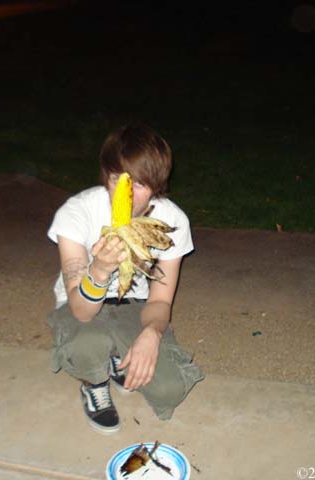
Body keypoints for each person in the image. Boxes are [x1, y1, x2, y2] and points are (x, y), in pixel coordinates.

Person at [47, 124, 203, 434]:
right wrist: (100, 270)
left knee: (169, 389)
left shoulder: (172, 221)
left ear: (158, 185)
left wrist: (152, 334)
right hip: (82, 302)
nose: (127, 194)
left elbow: (159, 300)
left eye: (141, 184)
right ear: (106, 175)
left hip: (133, 303)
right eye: (119, 179)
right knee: (89, 345)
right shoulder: (77, 213)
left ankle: (118, 353)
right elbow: (82, 311)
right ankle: (94, 381)